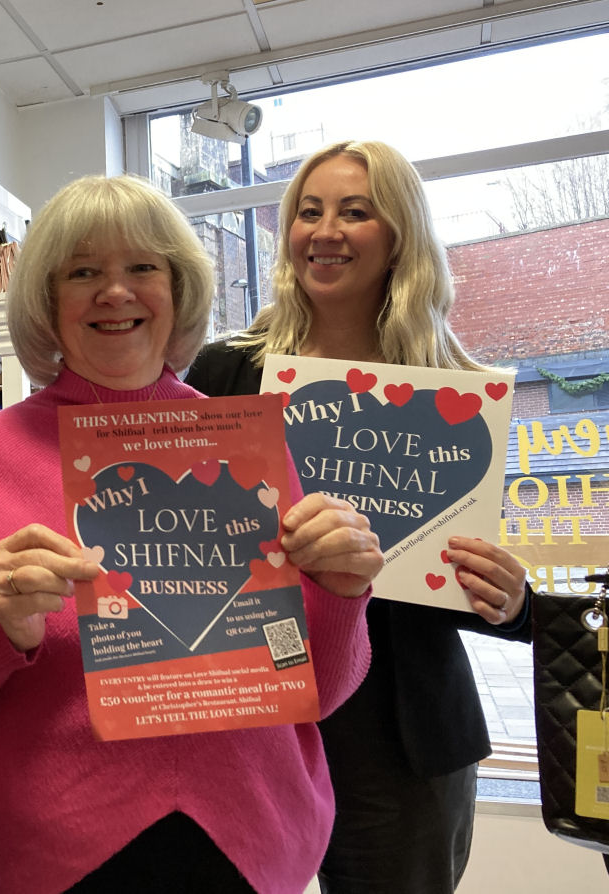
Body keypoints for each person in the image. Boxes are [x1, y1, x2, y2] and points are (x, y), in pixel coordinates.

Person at [0, 173, 383, 894]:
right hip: (46, 858)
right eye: (83, 272)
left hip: (249, 847)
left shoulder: (245, 441)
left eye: (143, 267)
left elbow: (316, 692)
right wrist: (0, 629)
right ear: (47, 299)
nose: (116, 292)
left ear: (179, 288)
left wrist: (345, 592)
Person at [185, 139, 531, 894]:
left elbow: (469, 582)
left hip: (399, 741)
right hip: (254, 720)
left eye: (355, 212)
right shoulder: (223, 373)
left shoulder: (456, 392)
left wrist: (513, 601)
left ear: (399, 234)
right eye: (309, 212)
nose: (325, 231)